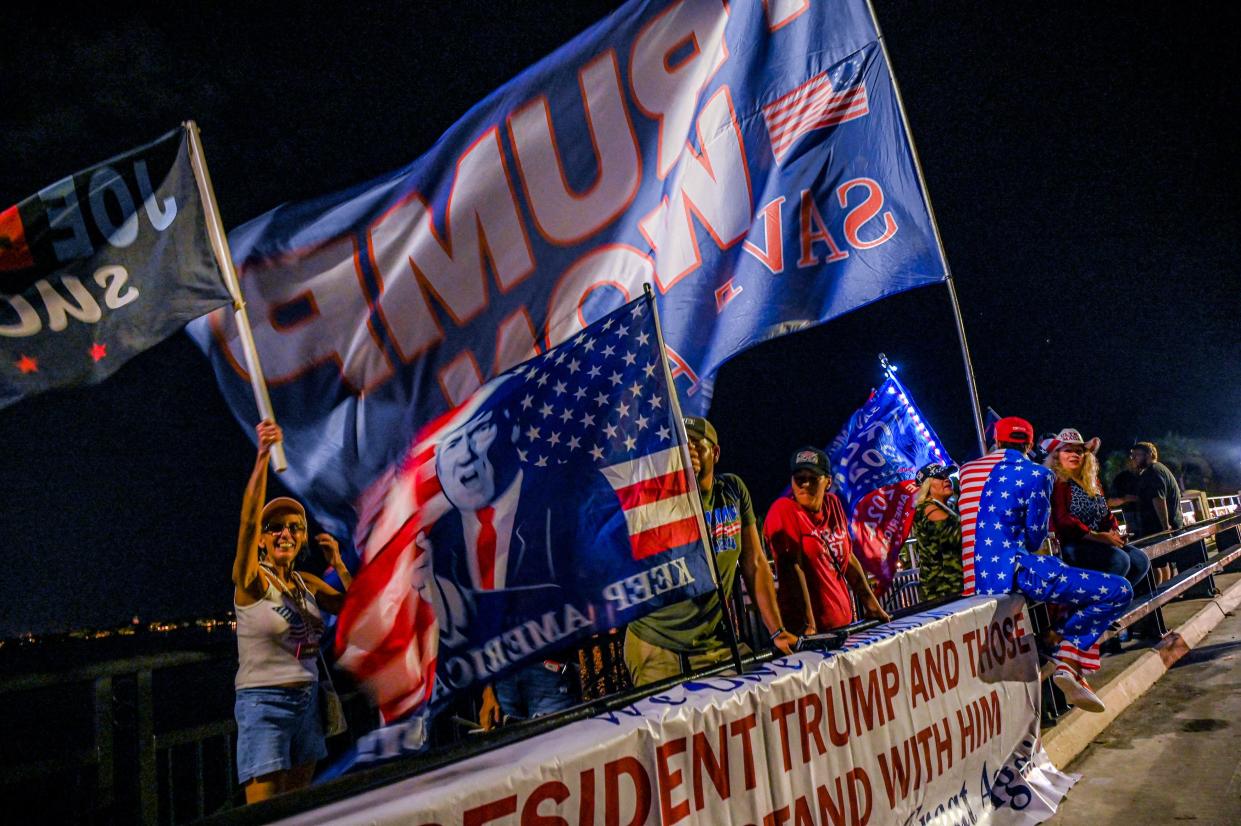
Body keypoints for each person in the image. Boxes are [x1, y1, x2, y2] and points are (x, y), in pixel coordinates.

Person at [958, 416, 1130, 713]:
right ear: (1027, 443)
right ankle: (1068, 657)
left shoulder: (966, 471)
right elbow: (1037, 535)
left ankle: (1070, 664)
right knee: (1118, 590)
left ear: (996, 442)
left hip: (973, 579)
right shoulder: (1037, 473)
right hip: (1014, 573)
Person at [624, 417, 799, 686]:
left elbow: (754, 563)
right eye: (681, 445)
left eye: (695, 444)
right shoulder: (661, 496)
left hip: (715, 643)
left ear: (715, 452)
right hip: (660, 649)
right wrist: (678, 482)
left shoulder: (732, 490)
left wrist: (777, 630)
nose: (688, 450)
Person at [232, 420, 351, 803]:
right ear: (263, 541)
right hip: (264, 704)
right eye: (275, 528)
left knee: (298, 809)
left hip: (308, 703)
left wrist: (339, 563)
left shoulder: (306, 583)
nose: (285, 533)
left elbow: (355, 607)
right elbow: (248, 521)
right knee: (266, 814)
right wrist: (262, 457)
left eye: (294, 528)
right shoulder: (252, 582)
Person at [764, 447, 891, 636]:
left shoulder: (833, 504)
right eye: (799, 479)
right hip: (812, 634)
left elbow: (847, 558)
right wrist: (809, 627)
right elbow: (793, 569)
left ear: (828, 482)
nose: (805, 484)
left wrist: (871, 604)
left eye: (813, 478)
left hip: (844, 626)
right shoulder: (784, 510)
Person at [1044, 428, 1150, 591]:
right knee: (1119, 561)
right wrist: (1098, 536)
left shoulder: (1091, 481)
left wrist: (1114, 532)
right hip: (1072, 544)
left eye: (1079, 451)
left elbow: (1105, 512)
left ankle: (1115, 604)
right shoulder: (1056, 482)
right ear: (1057, 455)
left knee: (1140, 561)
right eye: (1068, 450)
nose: (1074, 454)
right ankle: (1097, 607)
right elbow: (1063, 520)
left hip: (1098, 541)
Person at [1130, 441, 1183, 585]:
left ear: (1149, 455)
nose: (1133, 459)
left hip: (1158, 527)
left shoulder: (1152, 472)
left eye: (1137, 455)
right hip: (1165, 524)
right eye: (1132, 456)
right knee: (1163, 562)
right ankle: (1169, 590)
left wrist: (1165, 527)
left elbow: (1159, 499)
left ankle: (1161, 594)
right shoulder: (1161, 469)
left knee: (1156, 563)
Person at [910, 462, 962, 601]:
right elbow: (956, 535)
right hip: (941, 593)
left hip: (953, 590)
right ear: (927, 485)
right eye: (939, 476)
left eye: (947, 475)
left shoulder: (949, 506)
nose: (946, 478)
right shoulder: (927, 508)